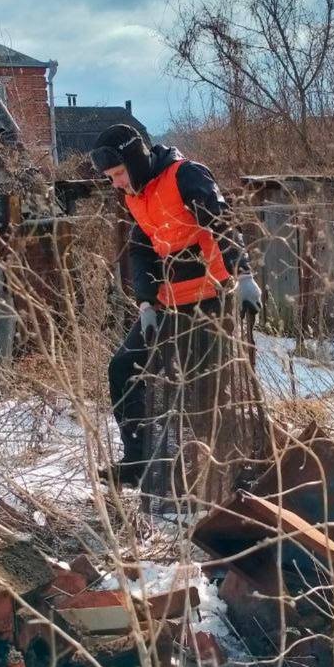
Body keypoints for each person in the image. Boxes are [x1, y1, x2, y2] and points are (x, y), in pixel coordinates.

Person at [91, 123, 262, 488]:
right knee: (124, 368)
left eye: (118, 173)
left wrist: (244, 275)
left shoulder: (186, 175)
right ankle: (137, 463)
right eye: (110, 177)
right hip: (167, 304)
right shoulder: (135, 196)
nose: (116, 183)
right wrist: (145, 304)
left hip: (211, 299)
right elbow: (141, 248)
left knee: (206, 389)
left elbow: (222, 223)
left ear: (134, 160)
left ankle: (230, 473)